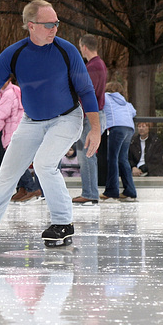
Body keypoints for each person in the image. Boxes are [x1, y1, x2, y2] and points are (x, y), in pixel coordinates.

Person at [0, 0, 100, 248]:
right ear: (31, 26)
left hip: (67, 118)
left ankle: (62, 223)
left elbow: (86, 91)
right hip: (31, 121)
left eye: (56, 23)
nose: (54, 28)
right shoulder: (14, 54)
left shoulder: (67, 51)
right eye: (48, 25)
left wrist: (96, 129)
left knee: (45, 164)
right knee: (5, 174)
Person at [0, 78, 41, 203]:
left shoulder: (8, 94)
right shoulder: (15, 91)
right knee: (18, 161)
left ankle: (31, 188)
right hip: (18, 131)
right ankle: (23, 188)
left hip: (13, 133)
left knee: (17, 162)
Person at [72, 34, 107, 205]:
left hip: (90, 117)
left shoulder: (92, 67)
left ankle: (90, 192)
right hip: (95, 115)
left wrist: (82, 115)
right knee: (88, 153)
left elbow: (88, 93)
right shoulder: (99, 65)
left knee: (86, 154)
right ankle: (90, 192)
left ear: (84, 46)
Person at [101, 81, 138, 202]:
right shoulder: (126, 103)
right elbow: (134, 112)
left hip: (116, 128)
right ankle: (130, 190)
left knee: (112, 159)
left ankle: (111, 191)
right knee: (123, 159)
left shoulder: (105, 97)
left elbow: (99, 106)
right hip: (129, 129)